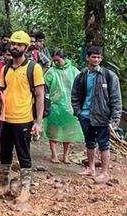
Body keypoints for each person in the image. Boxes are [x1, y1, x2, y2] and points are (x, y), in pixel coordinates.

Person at [0, 30, 45, 204]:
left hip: (24, 119)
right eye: (13, 43)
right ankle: (3, 186)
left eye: (19, 44)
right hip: (6, 118)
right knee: (4, 154)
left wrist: (38, 122)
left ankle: (25, 189)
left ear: (26, 47)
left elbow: (39, 95)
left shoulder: (33, 68)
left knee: (24, 155)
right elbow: (2, 90)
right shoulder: (5, 68)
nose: (15, 47)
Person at [71, 46, 122, 183]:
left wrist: (115, 117)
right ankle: (91, 168)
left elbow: (116, 98)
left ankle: (104, 172)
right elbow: (75, 94)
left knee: (104, 144)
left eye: (99, 57)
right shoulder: (82, 76)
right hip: (85, 116)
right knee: (89, 143)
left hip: (103, 117)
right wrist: (78, 111)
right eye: (93, 57)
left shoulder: (109, 76)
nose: (96, 59)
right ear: (88, 58)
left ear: (102, 59)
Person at [42, 50, 84, 164]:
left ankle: (66, 156)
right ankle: (54, 155)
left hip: (70, 106)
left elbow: (82, 85)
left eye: (58, 60)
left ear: (64, 58)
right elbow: (44, 85)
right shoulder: (51, 71)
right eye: (54, 60)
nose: (55, 62)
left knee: (68, 132)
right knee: (53, 131)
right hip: (54, 106)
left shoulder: (74, 71)